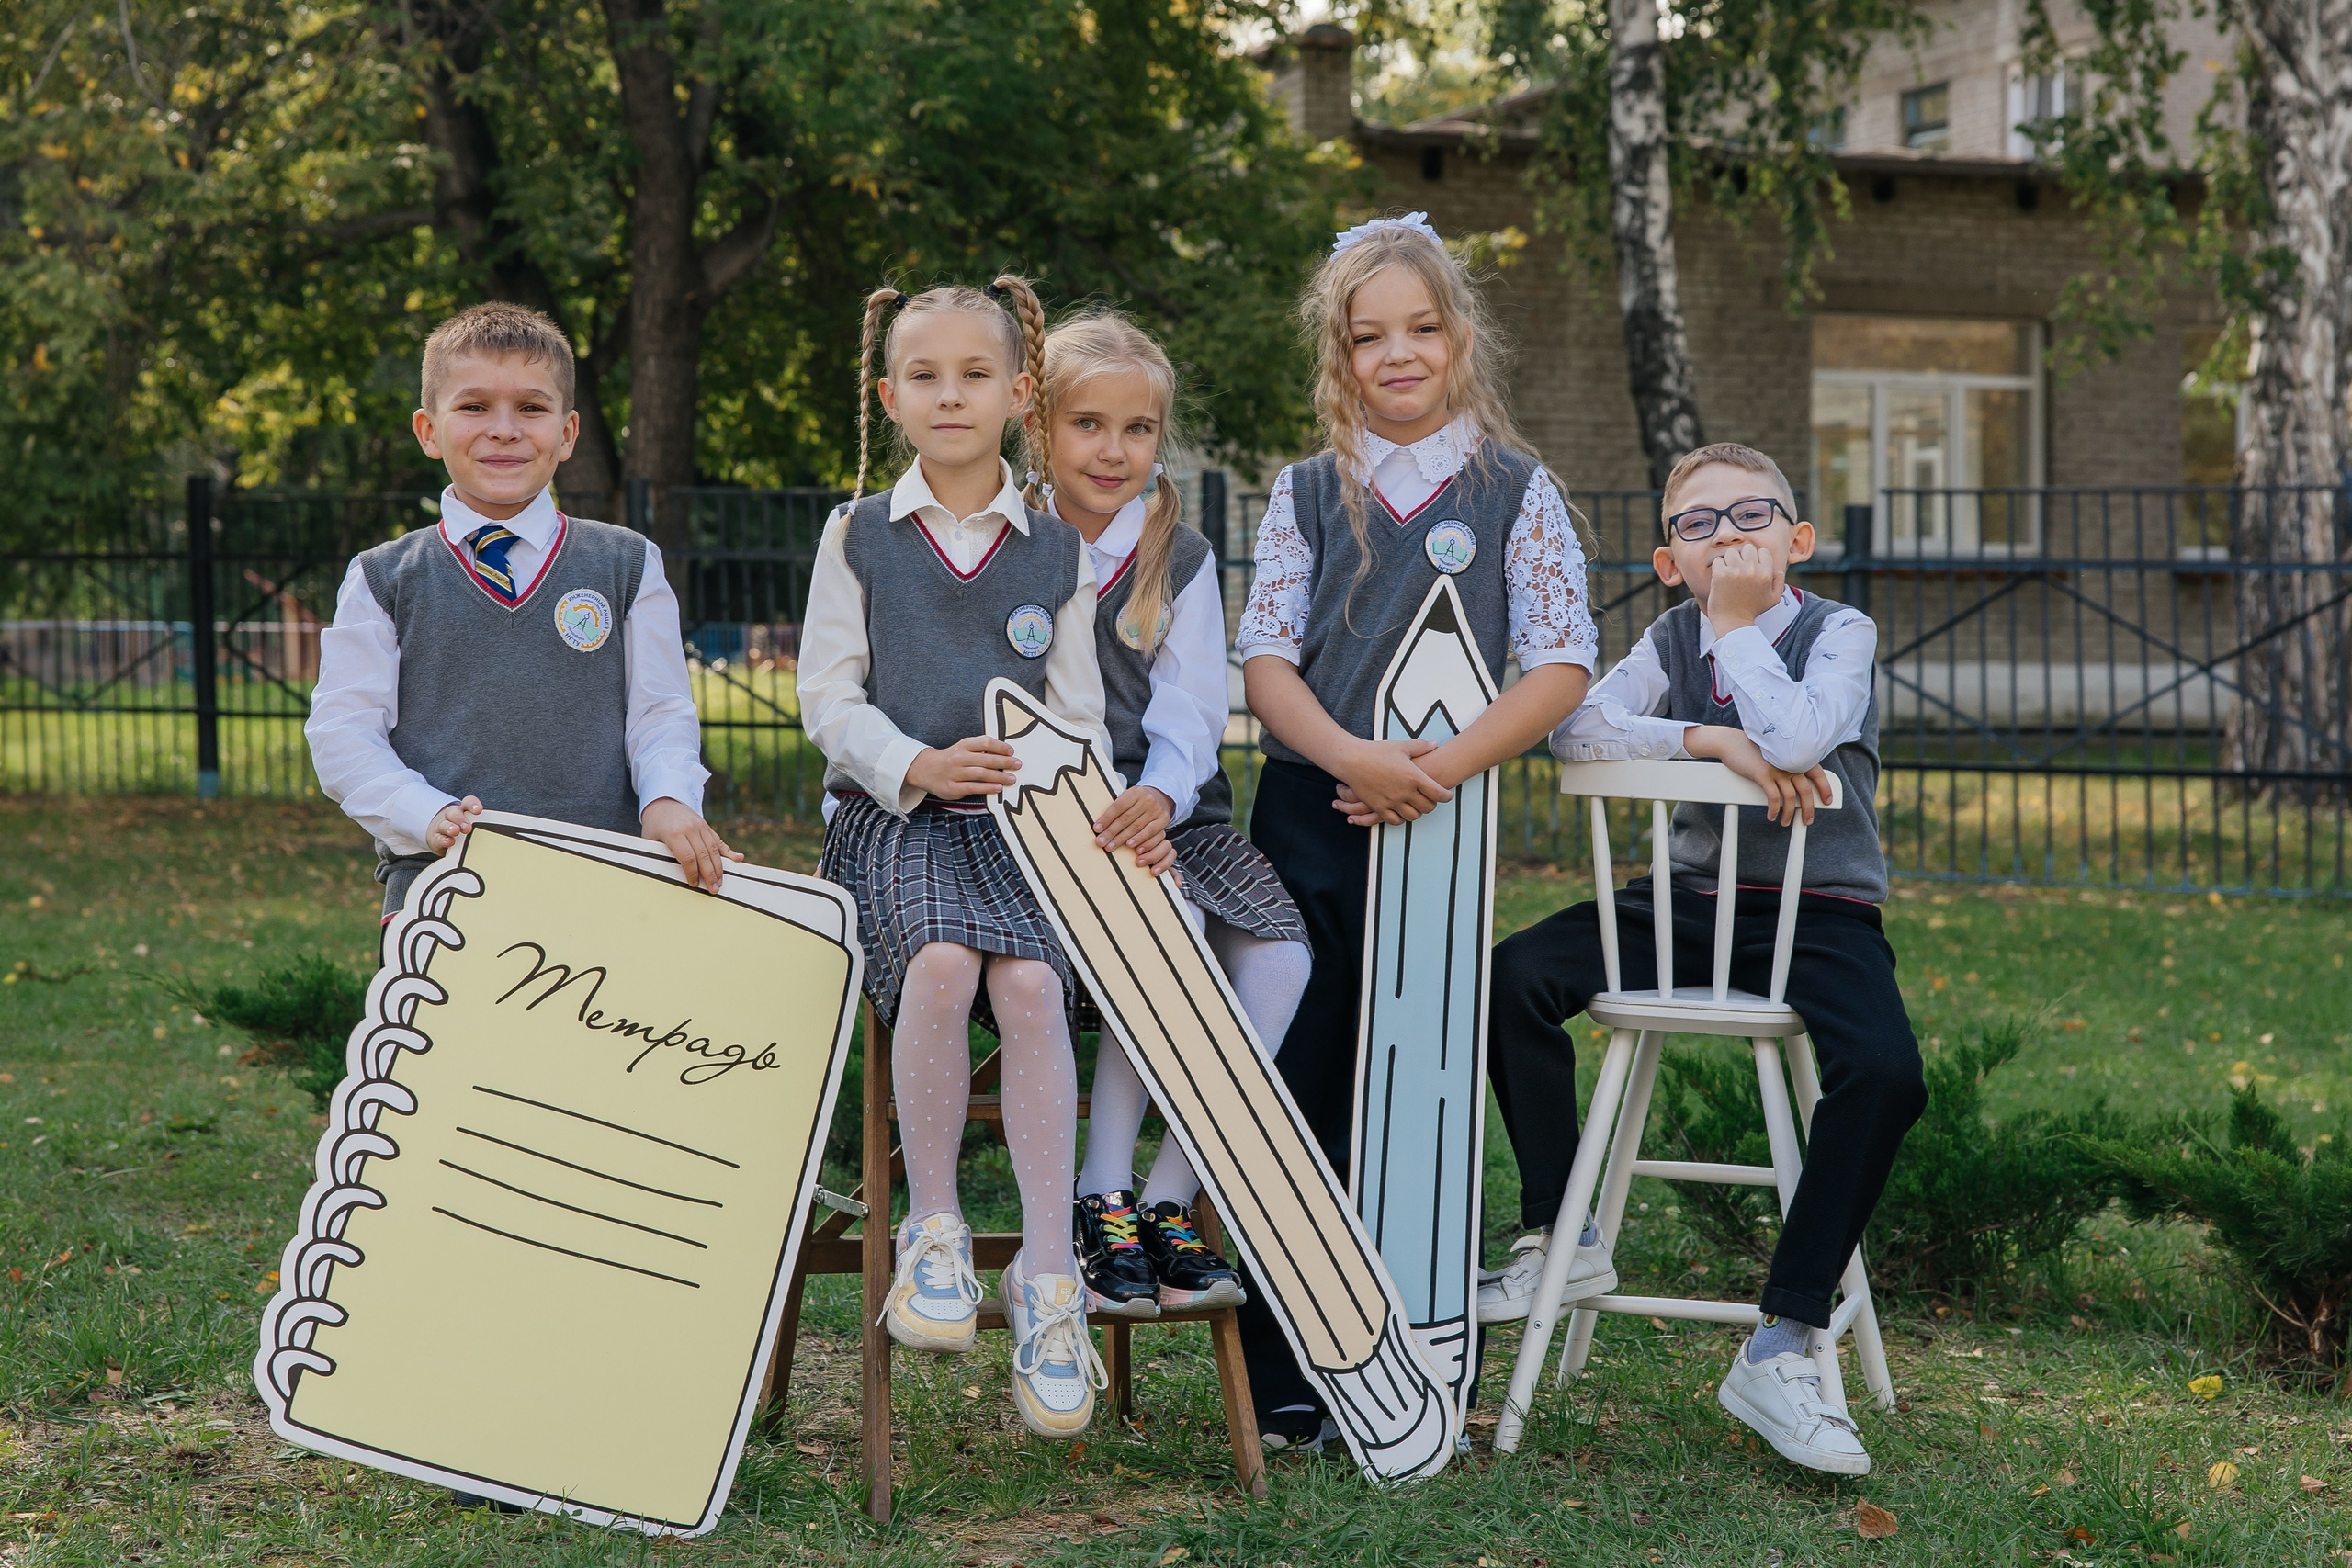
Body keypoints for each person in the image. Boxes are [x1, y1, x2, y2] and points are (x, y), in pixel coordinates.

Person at [1479, 440, 1924, 1478]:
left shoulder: (1838, 631)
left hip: (1820, 913)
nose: (1726, 536)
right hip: (1685, 904)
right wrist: (1706, 742)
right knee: (1511, 976)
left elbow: (1801, 738)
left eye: (1750, 516)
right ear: (1667, 560)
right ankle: (1562, 1234)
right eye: (1698, 524)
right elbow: (1577, 730)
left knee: (1887, 1073)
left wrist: (1736, 629)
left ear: (1796, 540)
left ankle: (1784, 1336)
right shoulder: (1670, 634)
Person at [1234, 213, 1599, 1450]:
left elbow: (1559, 662)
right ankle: (1289, 1369)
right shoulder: (1303, 493)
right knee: (1302, 1086)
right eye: (1368, 335)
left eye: (1421, 329)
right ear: (1337, 354)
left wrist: (1434, 768)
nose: (1397, 354)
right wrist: (1355, 758)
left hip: (1443, 821)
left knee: (1422, 1086)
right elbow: (1266, 664)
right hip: (1311, 818)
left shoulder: (1515, 490)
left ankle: (1417, 1356)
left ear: (1460, 340)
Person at [797, 276, 1113, 1441]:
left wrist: (1055, 790)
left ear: (1020, 394)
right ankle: (932, 1228)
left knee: (1029, 987)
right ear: (889, 397)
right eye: (922, 375)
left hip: (1017, 831)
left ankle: (1046, 1274)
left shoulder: (1058, 553)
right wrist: (918, 764)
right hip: (890, 820)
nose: (949, 395)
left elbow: (1079, 719)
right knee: (938, 963)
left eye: (975, 374)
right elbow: (827, 697)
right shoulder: (857, 535)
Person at [1033, 309, 1314, 1320]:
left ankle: (1166, 1195)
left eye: (1137, 429)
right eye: (1087, 424)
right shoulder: (1008, 538)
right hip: (1050, 815)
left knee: (1280, 961)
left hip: (1169, 806)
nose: (1112, 450)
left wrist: (1158, 792)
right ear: (1038, 429)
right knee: (1171, 925)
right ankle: (1100, 1189)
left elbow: (1192, 709)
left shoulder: (1176, 555)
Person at [307, 301, 737, 922]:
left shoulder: (627, 563)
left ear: (568, 433)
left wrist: (668, 798)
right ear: (428, 431)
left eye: (532, 407)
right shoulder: (384, 578)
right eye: (474, 406)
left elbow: (660, 713)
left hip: (607, 883)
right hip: (441, 887)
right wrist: (423, 813)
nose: (504, 429)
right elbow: (343, 732)